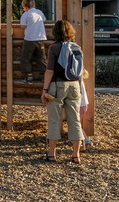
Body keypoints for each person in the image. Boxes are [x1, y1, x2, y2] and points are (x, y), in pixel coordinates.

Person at [41, 20, 85, 163]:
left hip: (57, 85)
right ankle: (75, 155)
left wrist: (45, 90)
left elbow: (49, 71)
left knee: (54, 120)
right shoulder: (77, 47)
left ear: (55, 32)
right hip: (74, 86)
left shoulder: (54, 48)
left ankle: (52, 154)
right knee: (75, 120)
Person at [20, 0, 47, 83]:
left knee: (26, 58)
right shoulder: (39, 13)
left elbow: (23, 26)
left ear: (25, 6)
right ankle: (44, 76)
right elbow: (44, 20)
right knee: (41, 58)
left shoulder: (25, 15)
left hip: (29, 39)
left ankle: (29, 76)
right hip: (40, 38)